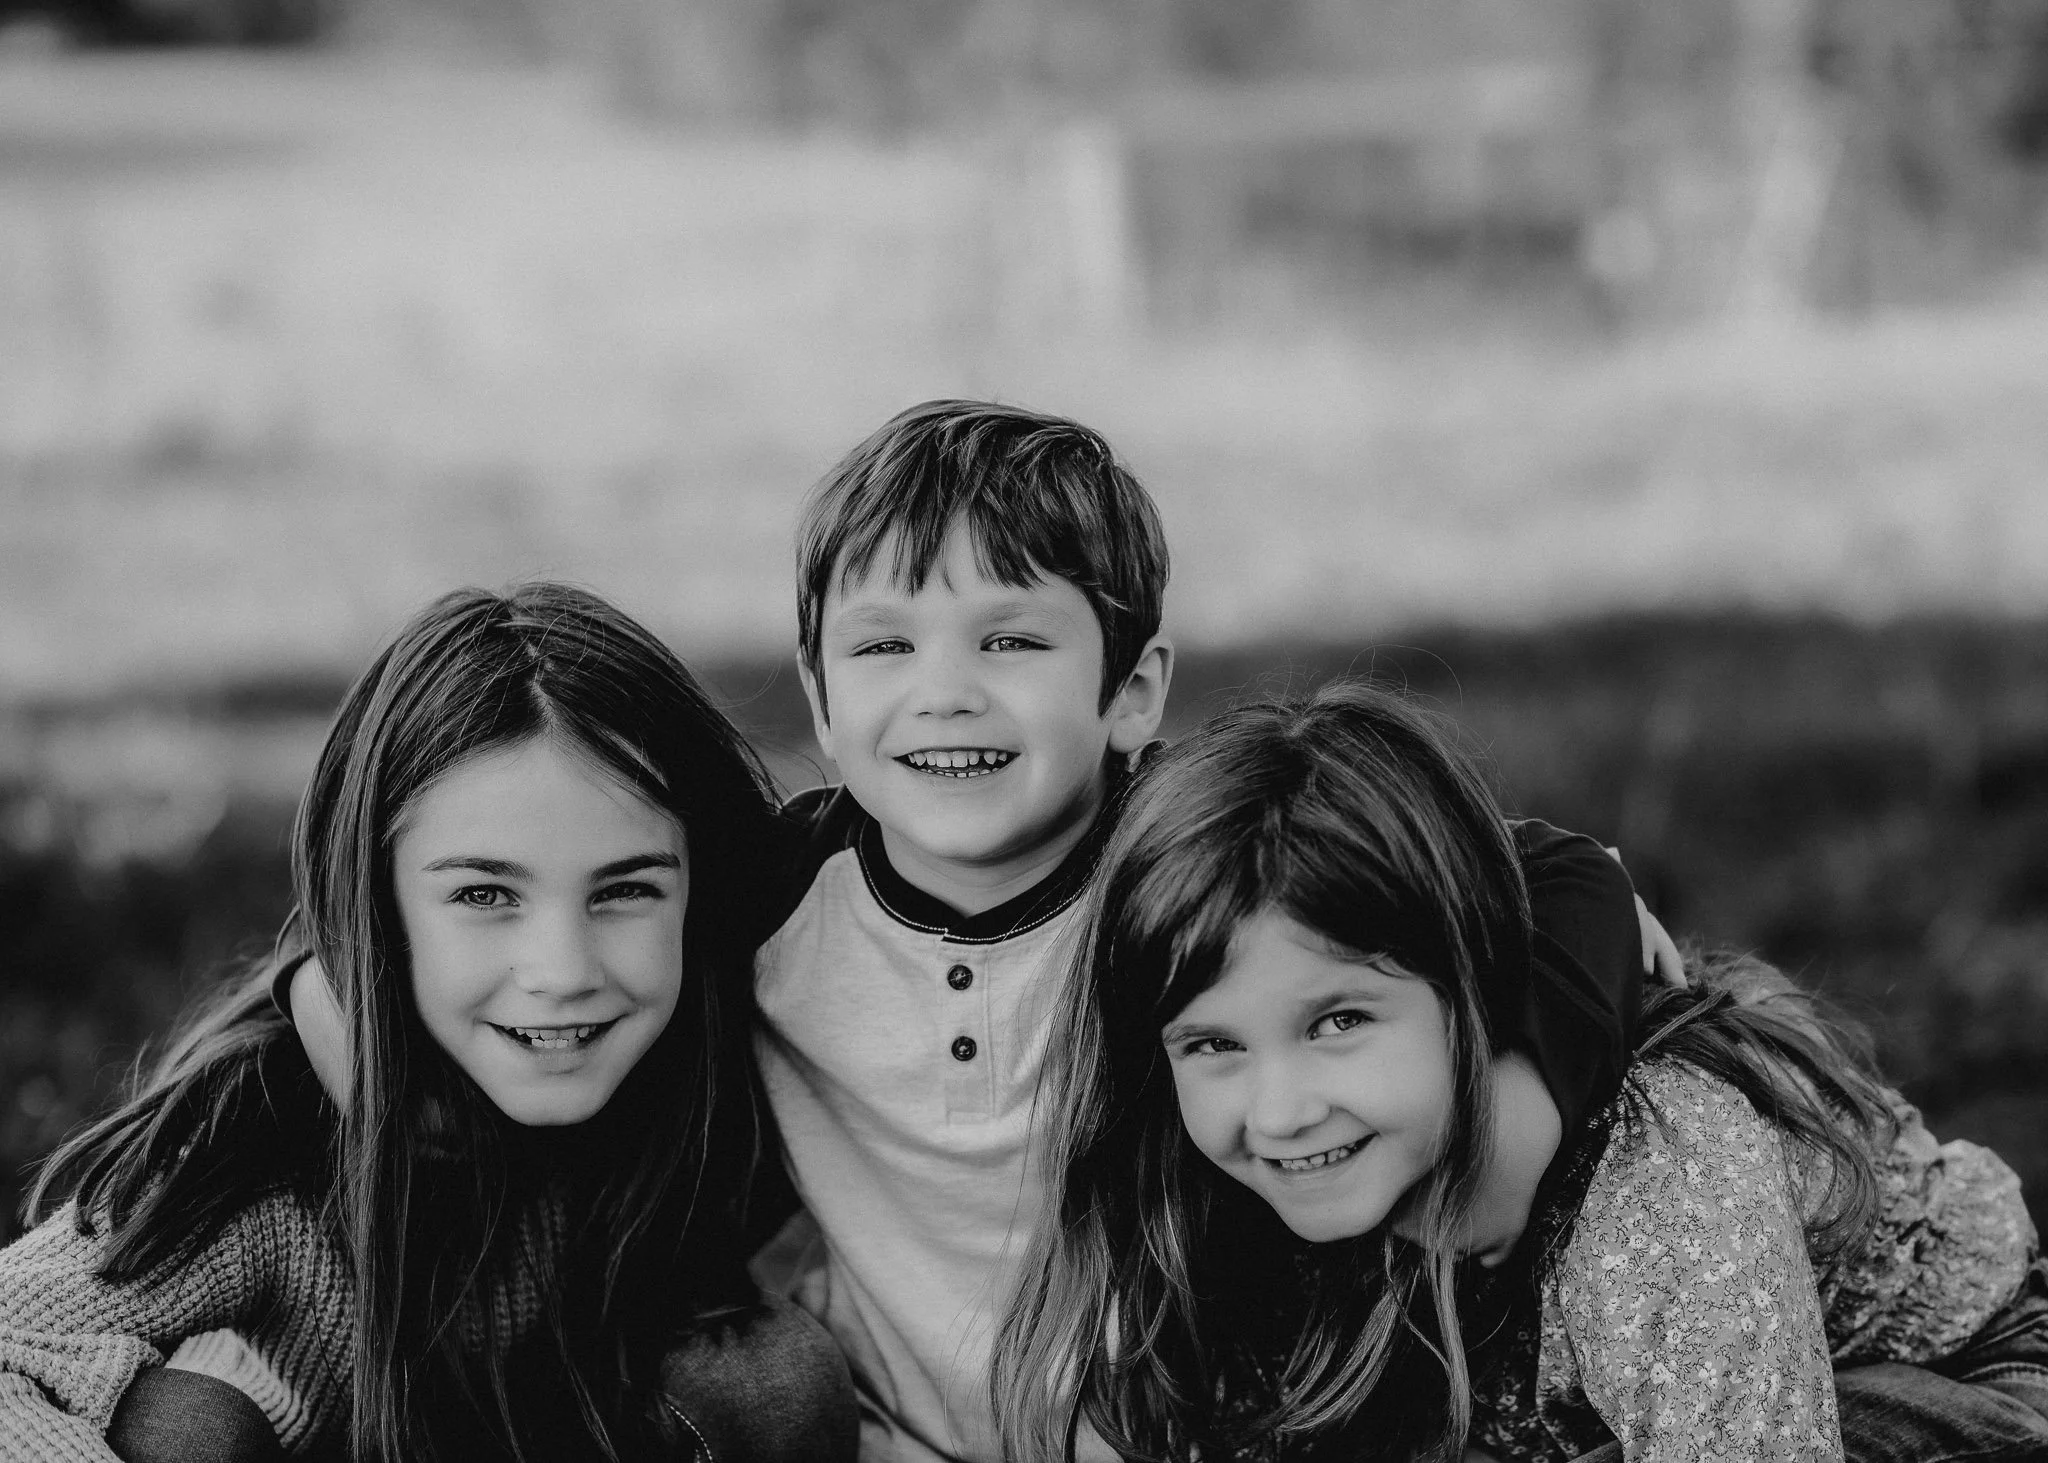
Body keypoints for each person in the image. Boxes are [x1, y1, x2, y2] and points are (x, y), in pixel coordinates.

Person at [287, 401, 1676, 1462]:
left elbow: (1570, 873)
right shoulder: (767, 895)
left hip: (1203, 1418)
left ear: (1132, 690)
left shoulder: (1188, 867)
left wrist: (1523, 1098)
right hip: (895, 1432)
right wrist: (338, 1014)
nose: (943, 695)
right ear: (825, 705)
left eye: (1010, 642)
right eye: (886, 649)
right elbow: (565, 941)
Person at [990, 680, 2048, 1463]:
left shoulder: (1656, 1177)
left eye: (1339, 1020)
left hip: (1956, 1384)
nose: (1277, 1108)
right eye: (1212, 1043)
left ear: (1475, 988)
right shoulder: (1215, 1191)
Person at [0, 584, 856, 1463]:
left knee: (773, 1381)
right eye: (485, 894)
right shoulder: (263, 1151)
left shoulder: (723, 1058)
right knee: (183, 1429)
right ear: (378, 904)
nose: (562, 973)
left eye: (626, 889)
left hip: (571, 1423)